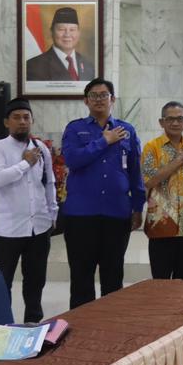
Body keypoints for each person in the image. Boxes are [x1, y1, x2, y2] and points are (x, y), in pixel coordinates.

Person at [60, 78, 144, 308]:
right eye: (94, 96)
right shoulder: (75, 129)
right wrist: (103, 141)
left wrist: (138, 207)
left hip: (116, 214)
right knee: (81, 277)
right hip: (81, 215)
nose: (99, 100)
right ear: (86, 101)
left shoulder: (127, 131)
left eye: (104, 95)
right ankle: (81, 326)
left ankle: (110, 325)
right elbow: (72, 160)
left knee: (113, 276)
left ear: (112, 99)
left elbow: (135, 172)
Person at [0, 98, 56, 323]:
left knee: (36, 281)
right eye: (16, 117)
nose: (22, 122)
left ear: (32, 121)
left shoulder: (41, 149)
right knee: (3, 281)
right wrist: (25, 164)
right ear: (7, 122)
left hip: (39, 227)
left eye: (26, 117)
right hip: (7, 229)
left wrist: (52, 213)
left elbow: (49, 183)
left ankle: (33, 324)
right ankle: (3, 326)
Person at [141, 101, 183, 280]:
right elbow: (149, 181)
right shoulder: (152, 147)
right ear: (162, 122)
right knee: (161, 281)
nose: (175, 123)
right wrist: (178, 161)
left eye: (180, 119)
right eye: (170, 119)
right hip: (161, 222)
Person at [25, 6, 95, 81]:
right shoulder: (34, 66)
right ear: (52, 32)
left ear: (78, 33)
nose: (67, 34)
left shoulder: (89, 66)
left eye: (72, 30)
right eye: (61, 29)